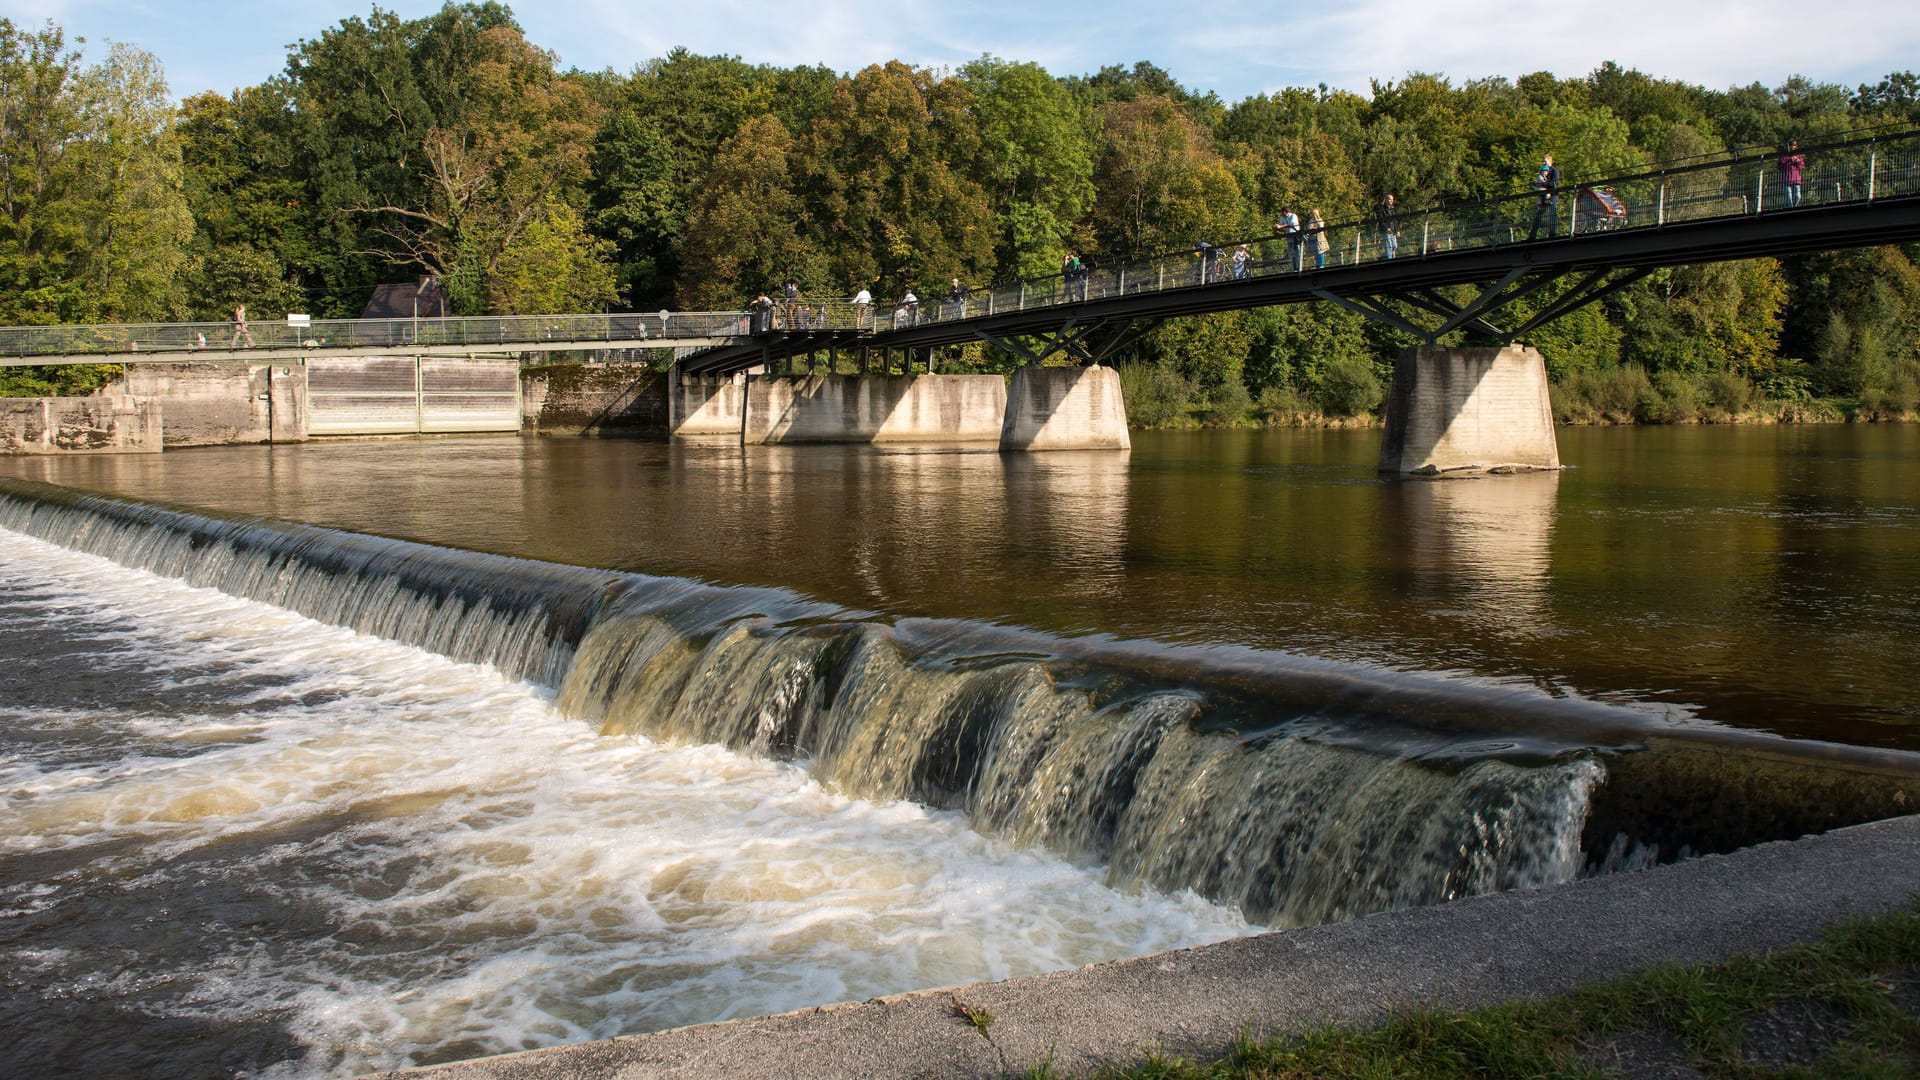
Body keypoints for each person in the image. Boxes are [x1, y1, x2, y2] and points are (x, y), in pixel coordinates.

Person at [1527, 154, 1560, 240]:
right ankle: (1532, 236)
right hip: (1543, 196)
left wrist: (1542, 184)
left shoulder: (1554, 171)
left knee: (1552, 214)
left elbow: (1554, 183)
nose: (1543, 163)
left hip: (1552, 195)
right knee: (1539, 215)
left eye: (1545, 161)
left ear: (1550, 161)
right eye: (1543, 161)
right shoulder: (1542, 171)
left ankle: (1552, 234)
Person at [1777, 139, 1806, 208]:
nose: (1792, 146)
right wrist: (1789, 160)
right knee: (1789, 199)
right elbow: (1779, 167)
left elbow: (1802, 166)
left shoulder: (1798, 155)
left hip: (1796, 179)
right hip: (1786, 179)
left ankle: (1793, 208)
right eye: (1791, 145)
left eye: (1794, 145)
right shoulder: (1783, 156)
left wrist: (1797, 161)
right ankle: (1791, 209)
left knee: (1798, 196)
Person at [1376, 194, 1399, 259]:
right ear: (1385, 200)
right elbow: (1380, 220)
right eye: (1389, 199)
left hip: (1393, 230)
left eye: (1392, 199)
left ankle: (1382, 257)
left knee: (1394, 246)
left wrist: (1397, 230)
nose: (1391, 201)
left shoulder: (1393, 208)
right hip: (1385, 231)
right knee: (1389, 246)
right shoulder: (1381, 209)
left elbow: (1395, 220)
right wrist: (1386, 228)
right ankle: (1389, 260)